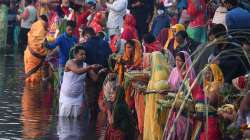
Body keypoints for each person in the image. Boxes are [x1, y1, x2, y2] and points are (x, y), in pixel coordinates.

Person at [163, 51, 204, 140]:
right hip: (174, 104)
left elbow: (192, 91)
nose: (177, 62)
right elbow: (169, 85)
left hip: (184, 107)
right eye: (176, 60)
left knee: (182, 132)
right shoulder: (174, 71)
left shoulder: (189, 73)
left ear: (185, 61)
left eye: (180, 60)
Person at [59, 46, 103, 118]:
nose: (84, 56)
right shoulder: (69, 62)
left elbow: (95, 79)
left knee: (75, 121)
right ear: (75, 55)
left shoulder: (86, 65)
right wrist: (91, 67)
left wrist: (100, 72)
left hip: (77, 98)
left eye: (84, 54)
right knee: (64, 121)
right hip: (66, 98)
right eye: (81, 54)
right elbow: (77, 71)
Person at [82, 27, 112, 120]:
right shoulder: (105, 43)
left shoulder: (85, 45)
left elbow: (83, 60)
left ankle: (93, 124)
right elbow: (110, 58)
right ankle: (101, 122)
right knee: (102, 97)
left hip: (90, 74)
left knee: (92, 100)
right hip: (103, 73)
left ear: (86, 35)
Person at [144, 51, 171, 140]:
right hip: (155, 102)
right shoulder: (160, 70)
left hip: (158, 103)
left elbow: (160, 88)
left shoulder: (160, 73)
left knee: (157, 123)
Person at [24, 15, 48, 83]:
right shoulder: (41, 27)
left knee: (29, 76)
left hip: (28, 53)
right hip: (34, 57)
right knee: (34, 79)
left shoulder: (35, 25)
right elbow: (40, 45)